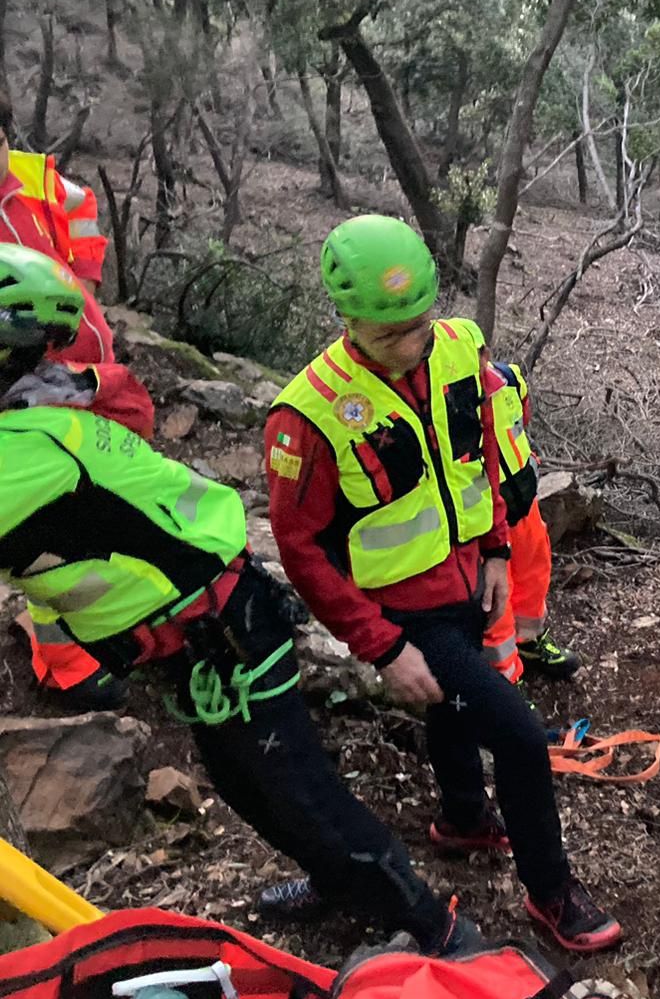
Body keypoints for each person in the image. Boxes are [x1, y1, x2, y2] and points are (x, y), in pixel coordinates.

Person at [0, 243, 476, 955]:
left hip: (223, 628)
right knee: (247, 788)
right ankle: (339, 882)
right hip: (197, 633)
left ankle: (431, 927)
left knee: (301, 793)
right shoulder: (41, 417)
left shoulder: (28, 450)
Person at [264, 214, 622, 952]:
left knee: (450, 710)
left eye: (418, 324)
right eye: (390, 332)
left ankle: (461, 818)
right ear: (347, 318)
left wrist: (496, 550)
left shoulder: (459, 348)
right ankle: (551, 893)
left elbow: (476, 457)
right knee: (520, 738)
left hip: (466, 582)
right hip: (400, 611)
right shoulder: (310, 414)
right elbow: (300, 549)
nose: (411, 343)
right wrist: (382, 647)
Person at [0, 86, 125, 710]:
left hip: (82, 379)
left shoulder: (47, 189)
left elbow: (84, 255)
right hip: (20, 398)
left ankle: (97, 634)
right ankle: (66, 661)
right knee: (41, 528)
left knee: (93, 516)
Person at [479, 357, 579, 685]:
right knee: (497, 597)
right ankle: (505, 679)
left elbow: (521, 422)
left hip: (524, 501)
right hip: (485, 518)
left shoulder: (509, 380)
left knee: (534, 574)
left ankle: (530, 641)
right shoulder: (445, 402)